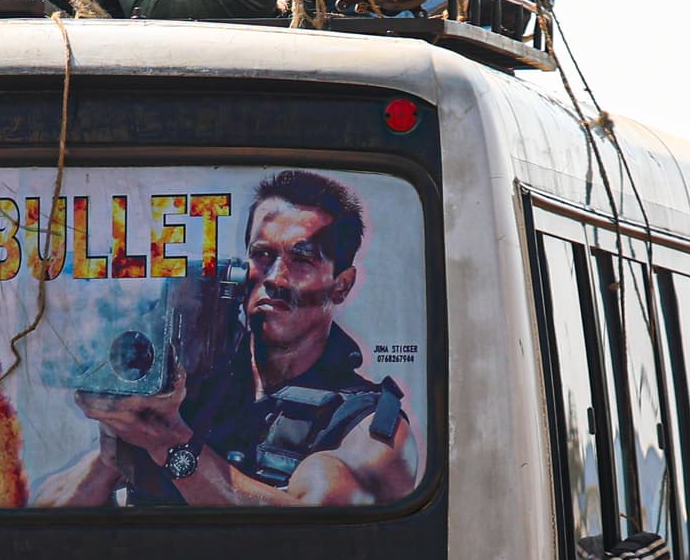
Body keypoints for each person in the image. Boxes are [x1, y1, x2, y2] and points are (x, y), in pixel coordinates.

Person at [33, 169, 421, 508]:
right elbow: (48, 519)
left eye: (302, 259)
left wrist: (171, 445)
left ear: (341, 286)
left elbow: (309, 537)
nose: (276, 278)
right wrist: (119, 442)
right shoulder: (196, 388)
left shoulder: (366, 426)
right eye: (263, 255)